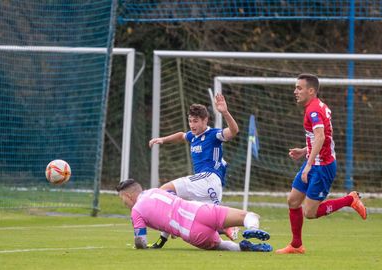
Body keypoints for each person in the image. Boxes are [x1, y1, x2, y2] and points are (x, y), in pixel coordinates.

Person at [275, 73, 367, 255]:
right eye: (295, 88)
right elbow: (320, 137)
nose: (295, 91)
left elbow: (321, 136)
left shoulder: (313, 110)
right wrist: (304, 151)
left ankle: (350, 200)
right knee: (293, 201)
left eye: (299, 88)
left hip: (322, 166)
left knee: (309, 212)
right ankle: (296, 245)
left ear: (311, 91)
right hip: (314, 161)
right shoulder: (316, 106)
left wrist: (308, 164)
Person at [148, 93, 239, 247]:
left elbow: (234, 131)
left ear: (205, 120)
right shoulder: (193, 136)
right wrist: (162, 139)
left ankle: (165, 236)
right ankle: (228, 230)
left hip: (208, 178)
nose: (192, 124)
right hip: (209, 187)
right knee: (205, 227)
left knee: (164, 191)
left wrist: (225, 112)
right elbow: (181, 135)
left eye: (195, 121)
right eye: (190, 121)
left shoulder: (213, 135)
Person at [116, 179, 272, 252]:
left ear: (129, 196)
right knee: (248, 215)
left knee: (220, 245)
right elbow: (167, 210)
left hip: (191, 232)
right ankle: (251, 227)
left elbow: (141, 241)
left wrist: (143, 246)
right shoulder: (156, 191)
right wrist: (162, 238)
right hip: (199, 211)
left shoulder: (136, 211)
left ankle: (242, 248)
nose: (123, 202)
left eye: (122, 198)